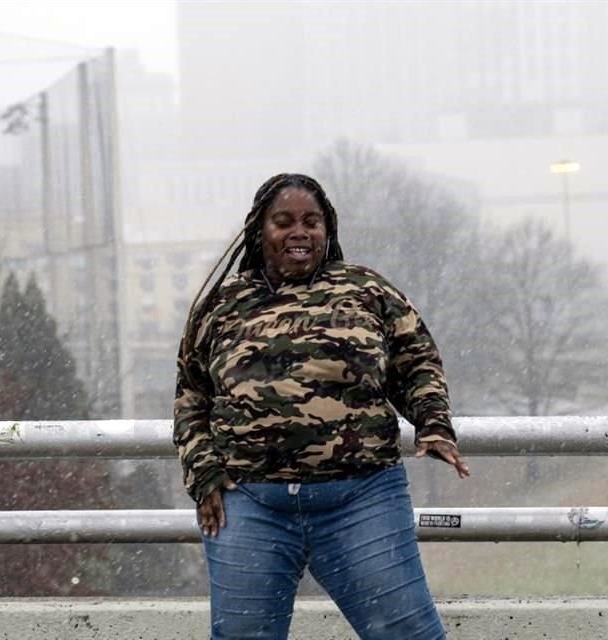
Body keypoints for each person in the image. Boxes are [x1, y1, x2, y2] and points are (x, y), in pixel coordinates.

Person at [174, 173, 469, 640]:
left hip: (361, 499)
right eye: (284, 221)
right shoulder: (222, 305)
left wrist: (433, 424)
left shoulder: (367, 291)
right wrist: (204, 473)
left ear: (327, 229)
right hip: (249, 505)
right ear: (259, 230)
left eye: (311, 221)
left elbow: (418, 365)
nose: (299, 231)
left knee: (408, 634)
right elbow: (191, 396)